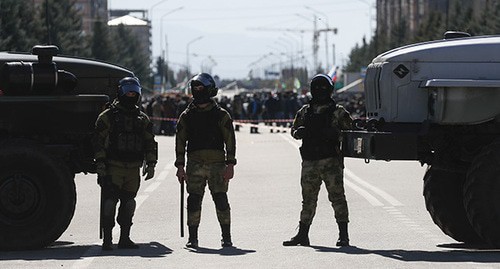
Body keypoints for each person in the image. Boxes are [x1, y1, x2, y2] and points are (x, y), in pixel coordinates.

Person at [283, 74, 352, 247]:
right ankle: (302, 234)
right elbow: (294, 129)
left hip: (331, 162)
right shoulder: (305, 111)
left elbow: (351, 134)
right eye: (317, 87)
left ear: (329, 90)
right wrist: (299, 132)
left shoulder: (338, 111)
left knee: (337, 198)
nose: (320, 91)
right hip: (310, 162)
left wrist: (336, 134)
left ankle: (343, 235)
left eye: (323, 87)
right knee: (308, 200)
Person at [94, 77, 158, 251]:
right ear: (121, 92)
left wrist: (151, 163)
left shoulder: (141, 118)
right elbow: (98, 142)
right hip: (113, 167)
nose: (131, 95)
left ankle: (124, 238)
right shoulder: (108, 117)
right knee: (109, 203)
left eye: (134, 92)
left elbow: (150, 142)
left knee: (129, 203)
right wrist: (100, 164)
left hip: (133, 169)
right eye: (128, 91)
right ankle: (107, 239)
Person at [175, 73, 237, 248]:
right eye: (195, 88)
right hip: (194, 165)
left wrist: (230, 164)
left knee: (221, 200)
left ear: (209, 90)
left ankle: (226, 236)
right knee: (193, 201)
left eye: (201, 88)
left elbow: (230, 140)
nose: (198, 91)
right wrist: (180, 166)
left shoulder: (221, 115)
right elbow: (180, 141)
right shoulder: (187, 116)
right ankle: (192, 237)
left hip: (217, 165)